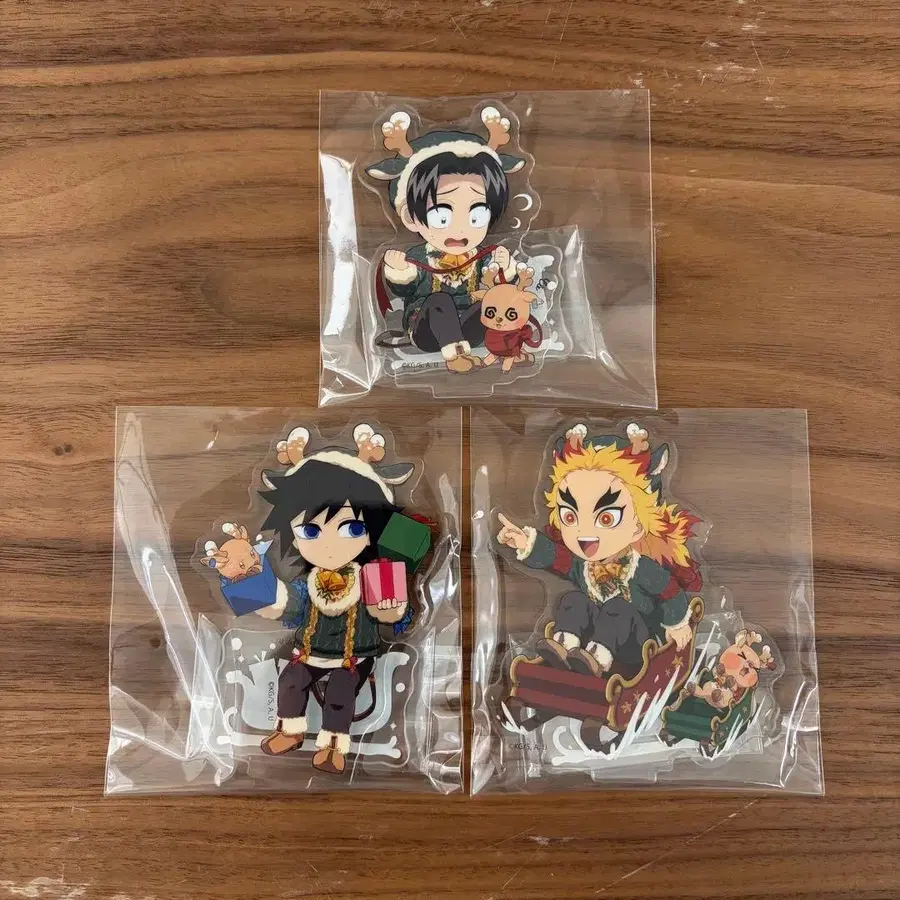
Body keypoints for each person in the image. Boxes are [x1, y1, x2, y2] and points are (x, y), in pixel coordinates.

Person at [497, 423, 702, 677]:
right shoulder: (584, 566)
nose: (584, 534)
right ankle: (564, 647)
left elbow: (671, 593)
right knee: (573, 600)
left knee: (619, 610)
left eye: (606, 518)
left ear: (638, 526)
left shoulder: (642, 568)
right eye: (570, 517)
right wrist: (525, 542)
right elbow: (556, 557)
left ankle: (596, 658)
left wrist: (677, 624)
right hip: (595, 635)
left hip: (638, 646)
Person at [367, 107, 525, 372]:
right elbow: (405, 290)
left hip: (472, 331)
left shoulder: (482, 256)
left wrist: (504, 268)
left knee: (488, 302)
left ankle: (504, 346)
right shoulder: (419, 257)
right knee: (439, 302)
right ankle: (455, 356)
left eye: (476, 216)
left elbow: (501, 289)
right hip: (427, 332)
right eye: (442, 216)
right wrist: (400, 271)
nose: (460, 230)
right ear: (410, 216)